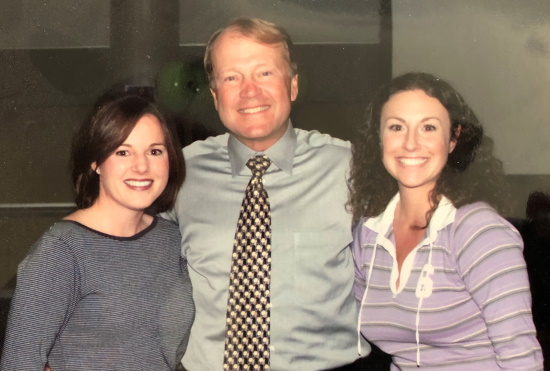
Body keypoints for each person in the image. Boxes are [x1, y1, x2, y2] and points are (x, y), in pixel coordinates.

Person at [163, 17, 368, 370]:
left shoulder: (353, 168)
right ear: (215, 97)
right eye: (232, 77)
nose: (250, 91)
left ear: (293, 86)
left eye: (265, 73)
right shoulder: (176, 173)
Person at [348, 72, 543, 370]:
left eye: (428, 127)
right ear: (379, 139)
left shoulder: (478, 232)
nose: (411, 143)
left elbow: (521, 358)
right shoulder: (369, 234)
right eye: (397, 127)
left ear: (452, 140)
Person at [0, 93, 194, 371]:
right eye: (123, 151)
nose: (141, 166)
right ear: (96, 162)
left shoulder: (170, 239)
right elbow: (19, 363)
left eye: (155, 151)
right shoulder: (61, 251)